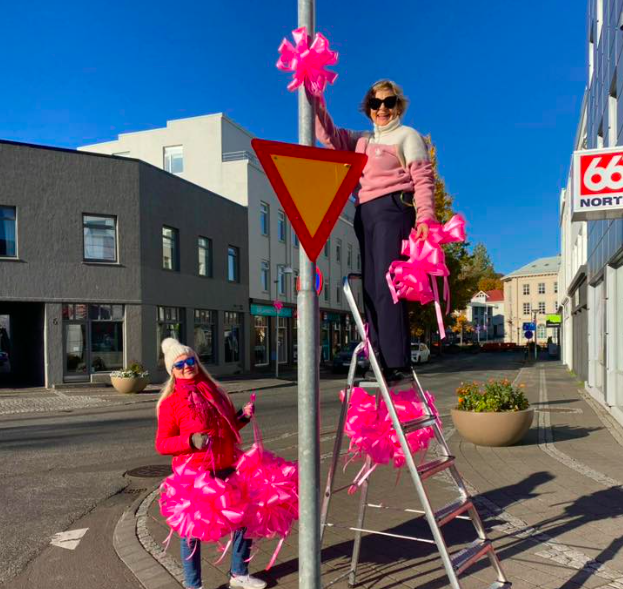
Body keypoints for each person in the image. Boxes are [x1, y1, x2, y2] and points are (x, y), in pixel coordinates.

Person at [315, 80, 437, 382]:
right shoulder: (361, 140)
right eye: (375, 103)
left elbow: (423, 178)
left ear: (398, 106)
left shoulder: (407, 136)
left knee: (387, 283)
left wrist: (425, 217)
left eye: (389, 102)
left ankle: (395, 359)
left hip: (393, 209)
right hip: (365, 212)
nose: (382, 108)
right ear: (368, 108)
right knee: (370, 287)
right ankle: (378, 355)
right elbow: (328, 135)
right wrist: (314, 97)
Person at [155, 338, 267, 589]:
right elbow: (162, 444)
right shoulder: (170, 403)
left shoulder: (215, 392)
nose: (187, 366)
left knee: (243, 518)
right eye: (179, 364)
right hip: (196, 475)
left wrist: (242, 417)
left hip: (227, 466)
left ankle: (239, 573)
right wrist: (191, 441)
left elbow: (225, 430)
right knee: (192, 532)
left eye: (190, 361)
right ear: (172, 371)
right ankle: (193, 585)